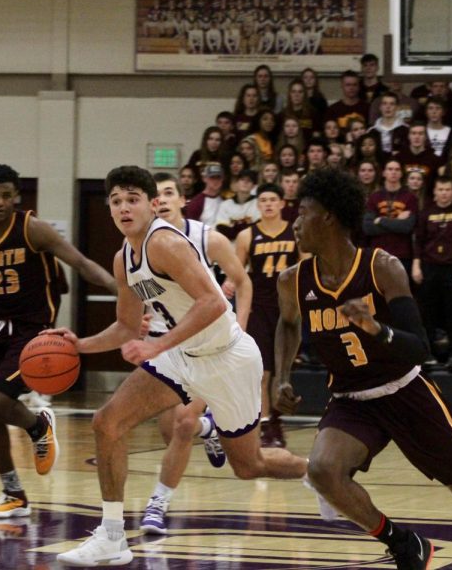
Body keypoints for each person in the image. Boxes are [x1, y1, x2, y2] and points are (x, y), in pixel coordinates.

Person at [273, 169, 452, 570]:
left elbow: (420, 349)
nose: (296, 222)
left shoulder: (382, 268)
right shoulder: (293, 280)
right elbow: (288, 324)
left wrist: (375, 328)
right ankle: (403, 544)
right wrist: (283, 375)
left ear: (327, 217)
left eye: (303, 212)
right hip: (352, 400)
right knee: (324, 470)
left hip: (406, 391)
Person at [50, 166, 308, 567]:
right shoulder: (123, 259)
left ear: (152, 204)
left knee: (248, 465)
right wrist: (79, 345)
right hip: (183, 356)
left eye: (132, 199)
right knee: (107, 422)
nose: (123, 207)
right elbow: (125, 325)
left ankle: (316, 472)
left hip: (228, 359)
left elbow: (213, 302)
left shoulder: (166, 243)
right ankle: (113, 536)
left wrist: (158, 345)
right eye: (116, 201)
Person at [0, 163, 116, 520]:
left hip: (32, 327)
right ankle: (13, 493)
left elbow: (81, 263)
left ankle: (38, 426)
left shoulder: (33, 229)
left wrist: (122, 292)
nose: (0, 202)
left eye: (7, 195)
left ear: (16, 196)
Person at [140, 172, 252, 534]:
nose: (162, 199)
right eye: (155, 195)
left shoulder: (209, 238)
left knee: (182, 424)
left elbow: (243, 281)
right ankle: (210, 428)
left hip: (206, 345)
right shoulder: (139, 244)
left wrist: (241, 329)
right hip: (162, 342)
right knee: (170, 429)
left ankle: (157, 504)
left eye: (169, 192)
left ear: (183, 199)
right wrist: (138, 322)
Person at [232, 183, 304, 448]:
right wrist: (234, 293)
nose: (268, 204)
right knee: (262, 373)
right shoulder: (246, 236)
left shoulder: (295, 232)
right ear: (258, 204)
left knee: (282, 372)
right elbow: (238, 274)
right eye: (263, 200)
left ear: (282, 203)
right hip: (259, 308)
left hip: (288, 308)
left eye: (273, 199)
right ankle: (265, 426)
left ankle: (276, 421)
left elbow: (306, 268)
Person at [412, 175, 452, 369]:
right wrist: (416, 265)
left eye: (447, 190)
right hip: (429, 265)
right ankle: (428, 353)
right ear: (435, 192)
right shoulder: (426, 211)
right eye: (441, 190)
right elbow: (419, 240)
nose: (444, 194)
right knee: (428, 313)